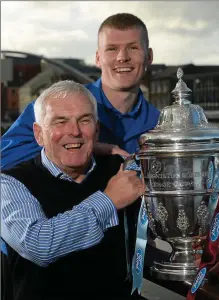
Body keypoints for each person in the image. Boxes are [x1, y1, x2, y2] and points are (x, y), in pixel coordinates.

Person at [1, 81, 146, 300]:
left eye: (84, 120)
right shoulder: (10, 183)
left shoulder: (122, 169)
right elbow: (38, 245)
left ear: (96, 130)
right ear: (39, 134)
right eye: (61, 122)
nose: (75, 131)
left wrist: (215, 251)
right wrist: (108, 201)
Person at [1, 13, 160, 170]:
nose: (122, 57)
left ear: (149, 56)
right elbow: (4, 159)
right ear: (98, 58)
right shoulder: (54, 106)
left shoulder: (160, 125)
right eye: (112, 49)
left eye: (133, 47)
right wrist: (83, 148)